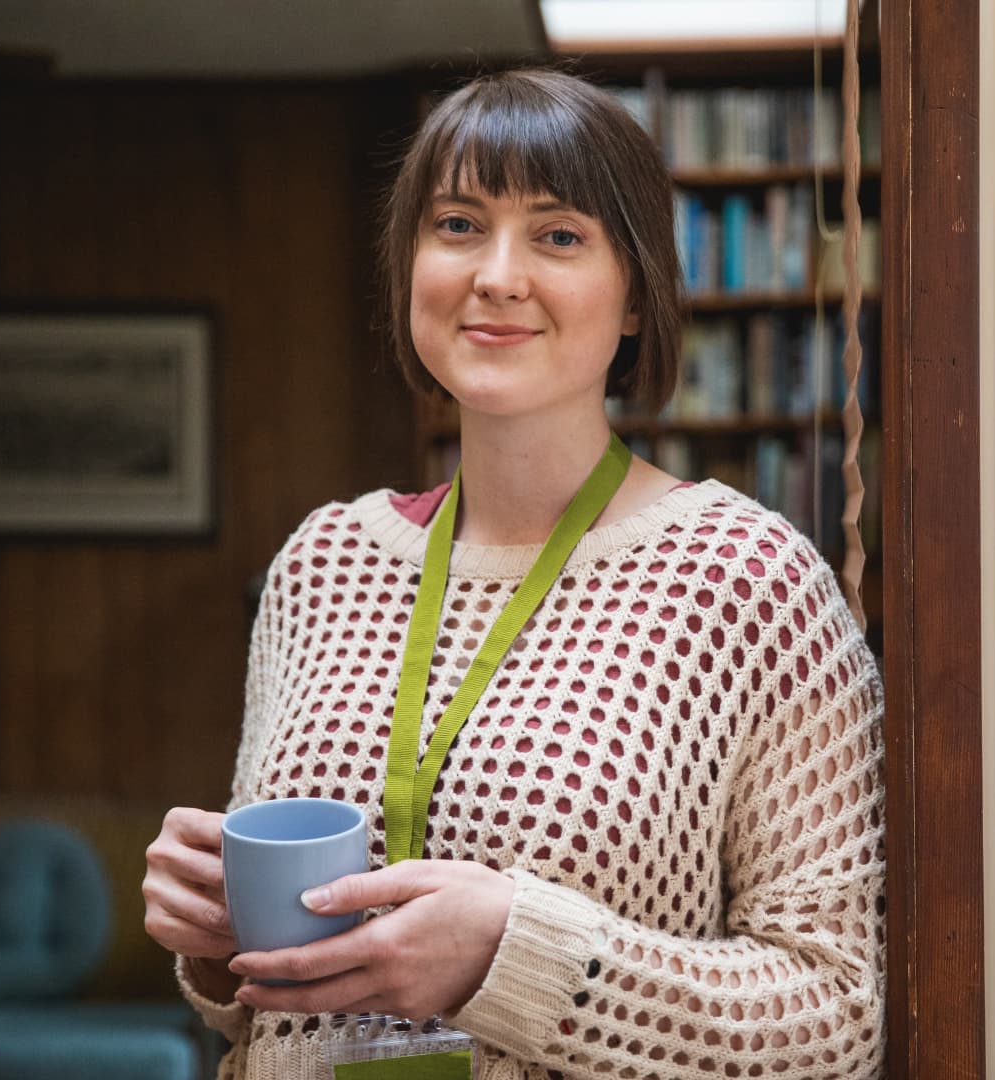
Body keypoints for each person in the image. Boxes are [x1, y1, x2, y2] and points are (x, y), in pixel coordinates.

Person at [143, 67, 886, 1080]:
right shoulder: (320, 565)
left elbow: (836, 1017)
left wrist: (517, 956)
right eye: (457, 225)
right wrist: (213, 941)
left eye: (559, 235)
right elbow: (258, 1010)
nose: (496, 274)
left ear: (637, 297)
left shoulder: (748, 584)